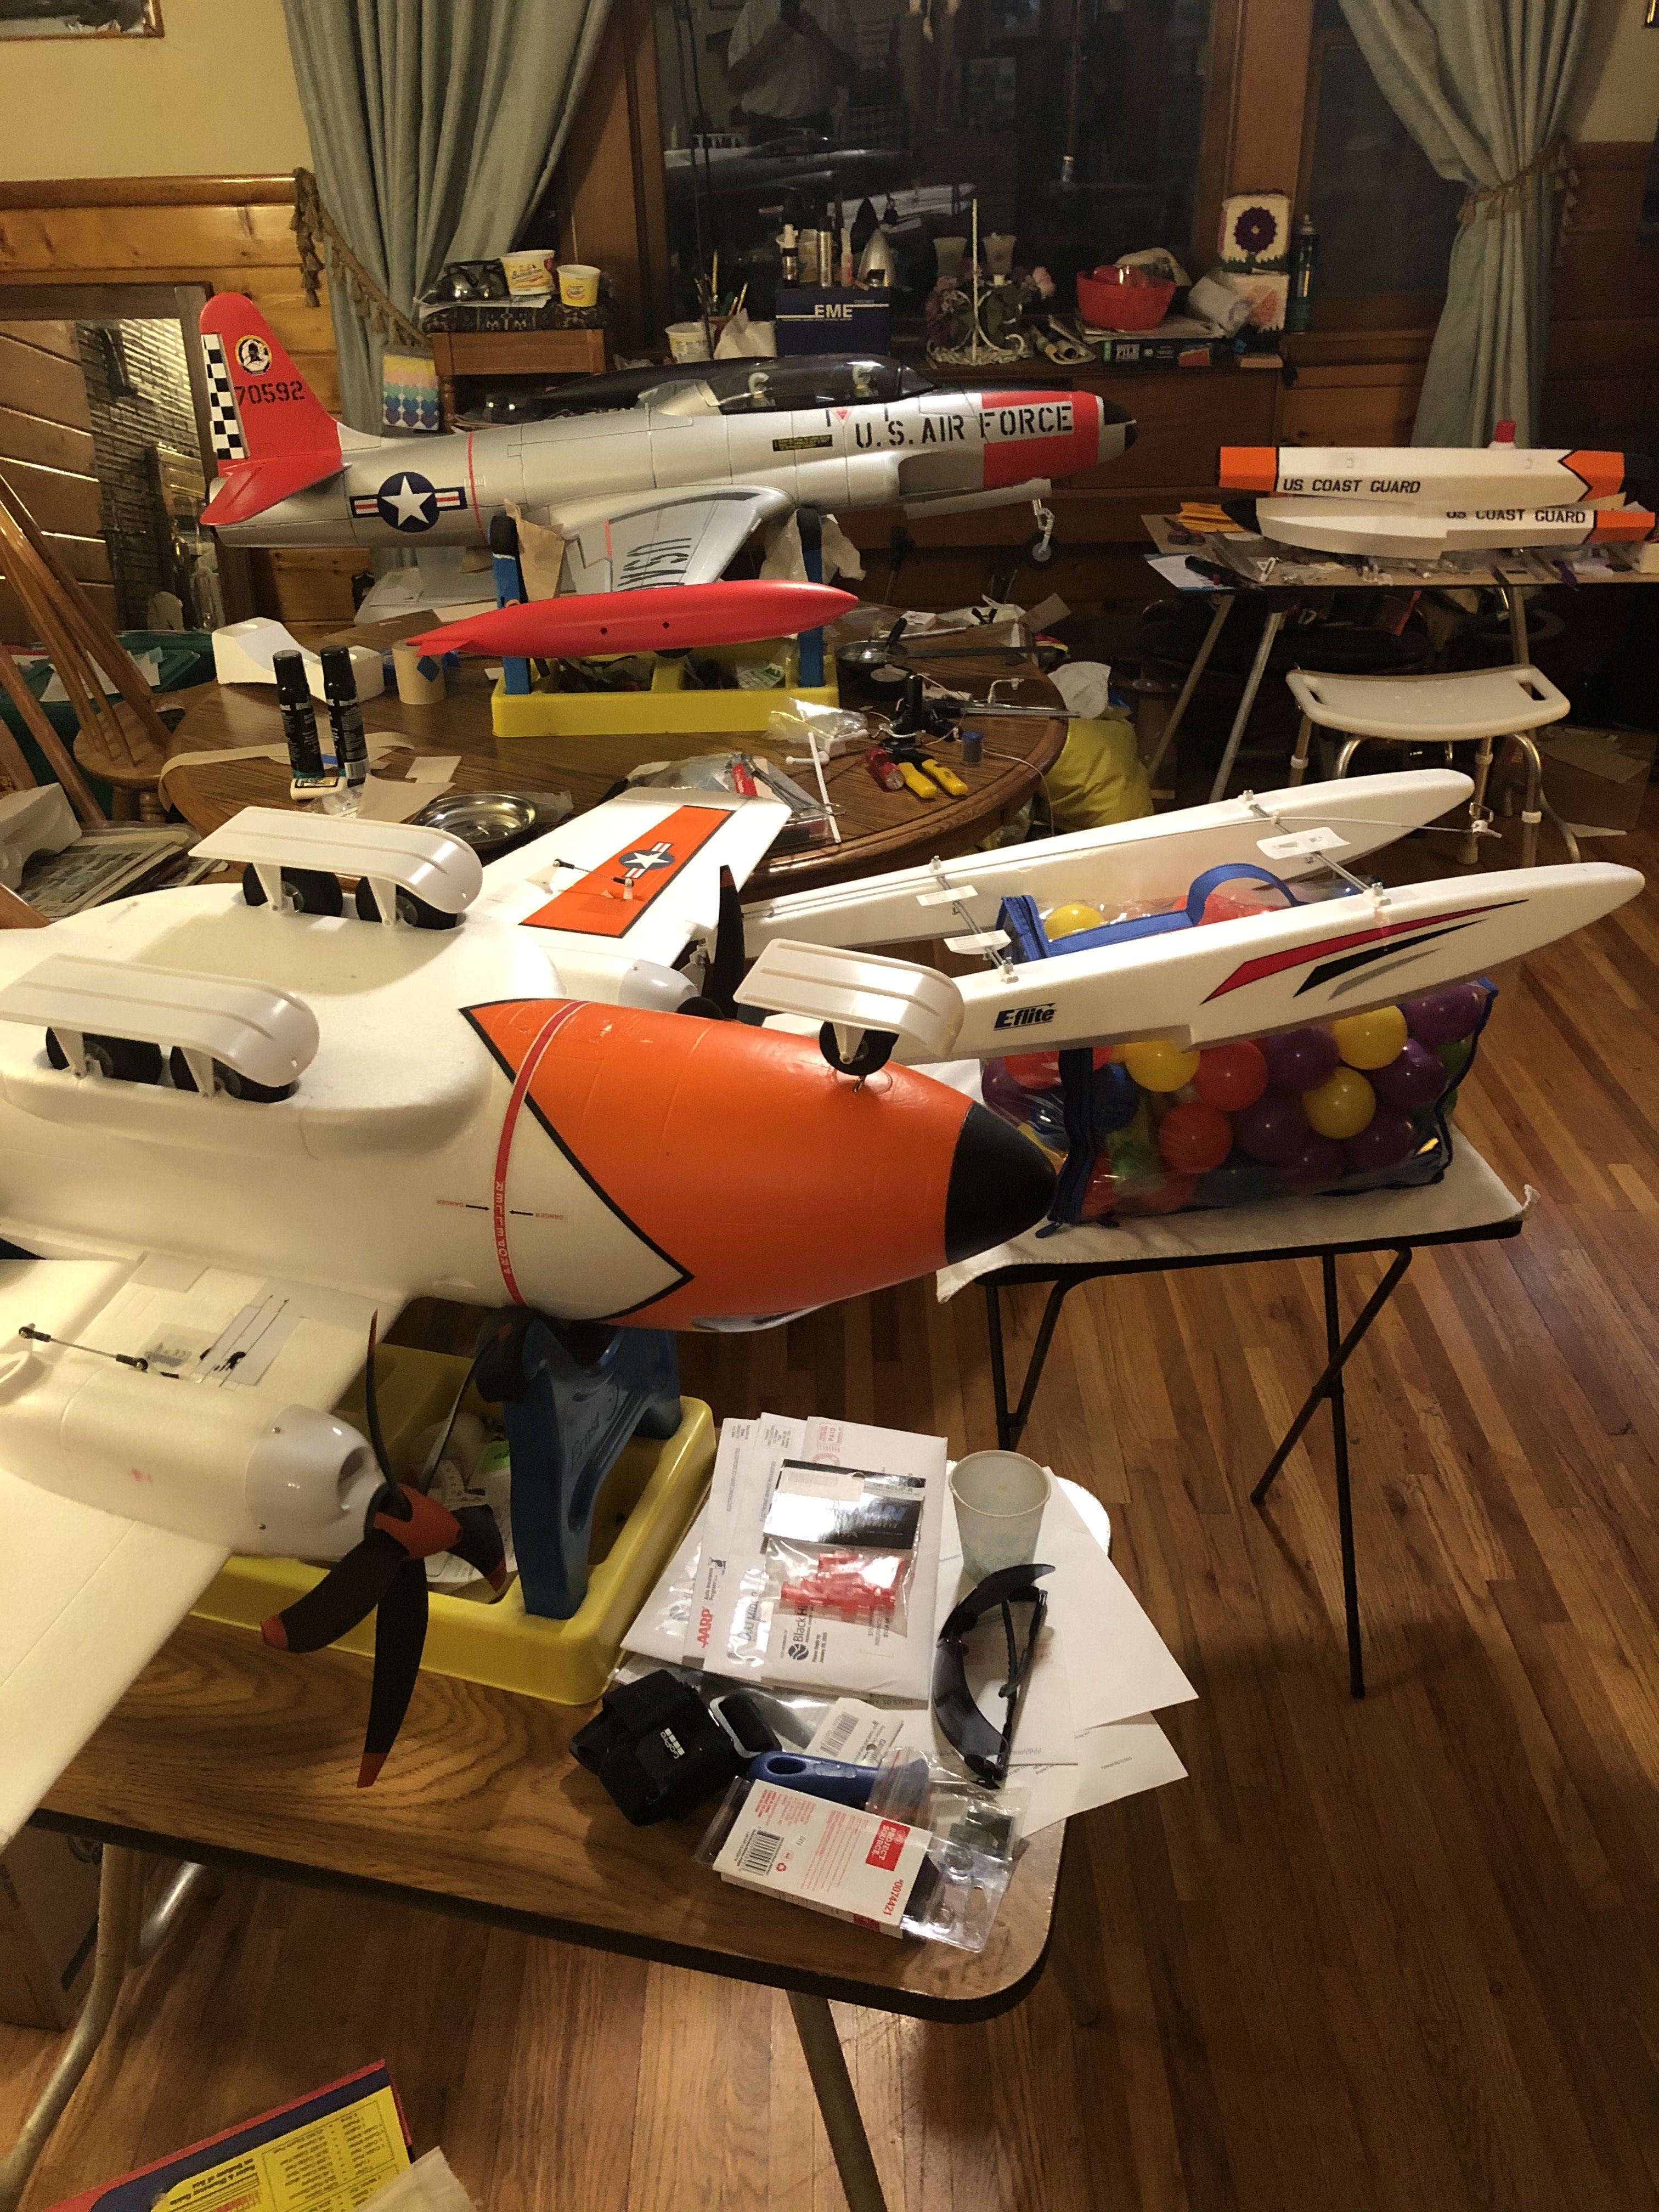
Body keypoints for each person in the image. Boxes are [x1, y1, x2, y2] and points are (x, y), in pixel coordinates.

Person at [725, 0, 856, 142]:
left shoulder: (833, 6)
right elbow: (734, 85)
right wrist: (764, 46)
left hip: (817, 125)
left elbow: (849, 77)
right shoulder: (755, 8)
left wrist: (820, 39)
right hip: (765, 128)